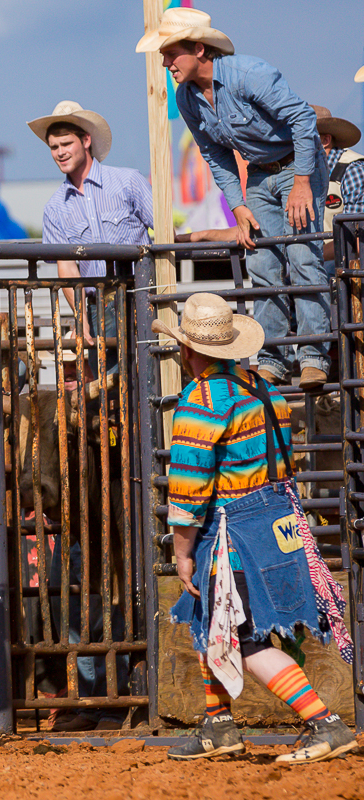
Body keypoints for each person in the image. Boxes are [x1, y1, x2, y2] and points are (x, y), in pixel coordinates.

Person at [154, 293, 356, 763]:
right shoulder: (263, 389)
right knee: (208, 617)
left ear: (186, 350)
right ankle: (218, 724)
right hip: (278, 520)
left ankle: (325, 723)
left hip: (234, 530)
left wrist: (182, 552)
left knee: (244, 639)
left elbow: (188, 489)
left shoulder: (202, 401)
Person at [138, 7, 329, 390]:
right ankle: (273, 358)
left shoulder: (248, 74)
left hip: (297, 165)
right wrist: (238, 205)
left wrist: (303, 182)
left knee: (303, 257)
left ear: (199, 49)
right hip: (259, 174)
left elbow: (303, 121)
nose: (166, 62)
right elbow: (215, 154)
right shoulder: (187, 98)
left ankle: (312, 356)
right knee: (261, 262)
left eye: (171, 53)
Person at [29, 101, 153, 375]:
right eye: (54, 147)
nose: (60, 152)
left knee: (151, 374)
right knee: (110, 389)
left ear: (85, 140)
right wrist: (80, 316)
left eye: (65, 144)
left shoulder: (128, 181)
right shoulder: (55, 207)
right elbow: (66, 267)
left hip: (141, 295)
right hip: (97, 306)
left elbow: (166, 233)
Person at [312, 105, 363, 266]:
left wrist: (306, 257)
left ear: (325, 140)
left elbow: (355, 237)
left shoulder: (352, 170)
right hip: (318, 260)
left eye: (302, 137)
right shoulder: (300, 175)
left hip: (344, 263)